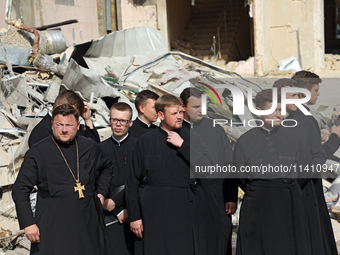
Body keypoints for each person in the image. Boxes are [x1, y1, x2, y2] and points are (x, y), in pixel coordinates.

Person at [12, 104, 112, 255]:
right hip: (53, 222)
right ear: (52, 125)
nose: (64, 130)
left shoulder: (89, 146)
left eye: (69, 125)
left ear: (78, 125)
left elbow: (107, 167)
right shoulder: (38, 152)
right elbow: (20, 189)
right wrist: (28, 223)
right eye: (59, 125)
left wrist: (102, 193)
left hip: (87, 221)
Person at [126, 94, 212, 255]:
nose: (179, 117)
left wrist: (182, 145)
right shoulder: (145, 140)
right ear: (161, 115)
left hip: (185, 211)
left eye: (180, 112)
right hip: (153, 214)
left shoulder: (192, 137)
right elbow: (132, 181)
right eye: (174, 113)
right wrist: (135, 216)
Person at [234, 89, 312, 255]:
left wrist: (284, 187)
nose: (280, 114)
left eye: (281, 110)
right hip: (258, 203)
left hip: (289, 200)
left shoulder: (296, 138)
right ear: (260, 111)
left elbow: (305, 171)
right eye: (274, 110)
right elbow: (240, 176)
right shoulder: (245, 141)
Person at [274, 78, 328, 255]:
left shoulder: (306, 123)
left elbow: (318, 155)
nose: (297, 99)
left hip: (304, 190)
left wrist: (300, 179)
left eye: (298, 95)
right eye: (292, 96)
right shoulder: (269, 124)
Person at [180, 87, 237, 255]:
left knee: (219, 236)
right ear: (183, 106)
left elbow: (229, 164)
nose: (201, 110)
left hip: (215, 192)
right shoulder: (174, 130)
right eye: (196, 106)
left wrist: (230, 196)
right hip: (186, 194)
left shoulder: (215, 129)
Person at [292, 71, 340, 255]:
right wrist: (335, 138)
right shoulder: (303, 120)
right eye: (316, 90)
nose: (318, 94)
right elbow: (315, 159)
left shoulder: (302, 118)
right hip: (306, 190)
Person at [99, 102, 136, 255]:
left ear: (130, 123)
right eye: (115, 120)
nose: (118, 124)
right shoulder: (100, 148)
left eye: (123, 121)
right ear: (109, 121)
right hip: (109, 209)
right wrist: (117, 208)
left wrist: (123, 206)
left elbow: (139, 180)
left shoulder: (138, 147)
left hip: (133, 209)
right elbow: (98, 180)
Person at [28, 89, 100, 148]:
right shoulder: (41, 132)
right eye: (72, 112)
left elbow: (94, 147)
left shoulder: (73, 125)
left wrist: (87, 119)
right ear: (60, 107)